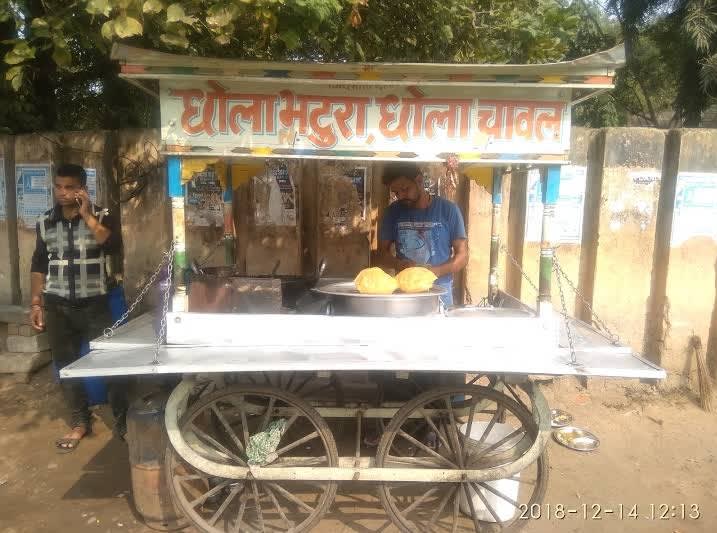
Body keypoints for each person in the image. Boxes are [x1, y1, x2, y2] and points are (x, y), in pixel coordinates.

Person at [29, 163, 127, 452]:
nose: (63, 192)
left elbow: (112, 247)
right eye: (58, 186)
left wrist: (87, 215)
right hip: (57, 305)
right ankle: (79, 422)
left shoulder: (104, 216)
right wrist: (36, 302)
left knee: (111, 363)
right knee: (67, 366)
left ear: (82, 188)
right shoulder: (45, 221)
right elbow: (38, 264)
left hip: (96, 303)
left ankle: (122, 421)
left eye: (70, 187)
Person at [377, 162, 469, 307]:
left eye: (405, 189)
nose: (400, 196)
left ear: (419, 180)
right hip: (405, 294)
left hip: (440, 295)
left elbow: (462, 256)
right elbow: (381, 253)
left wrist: (435, 271)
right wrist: (398, 264)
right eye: (396, 193)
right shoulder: (392, 212)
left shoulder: (448, 210)